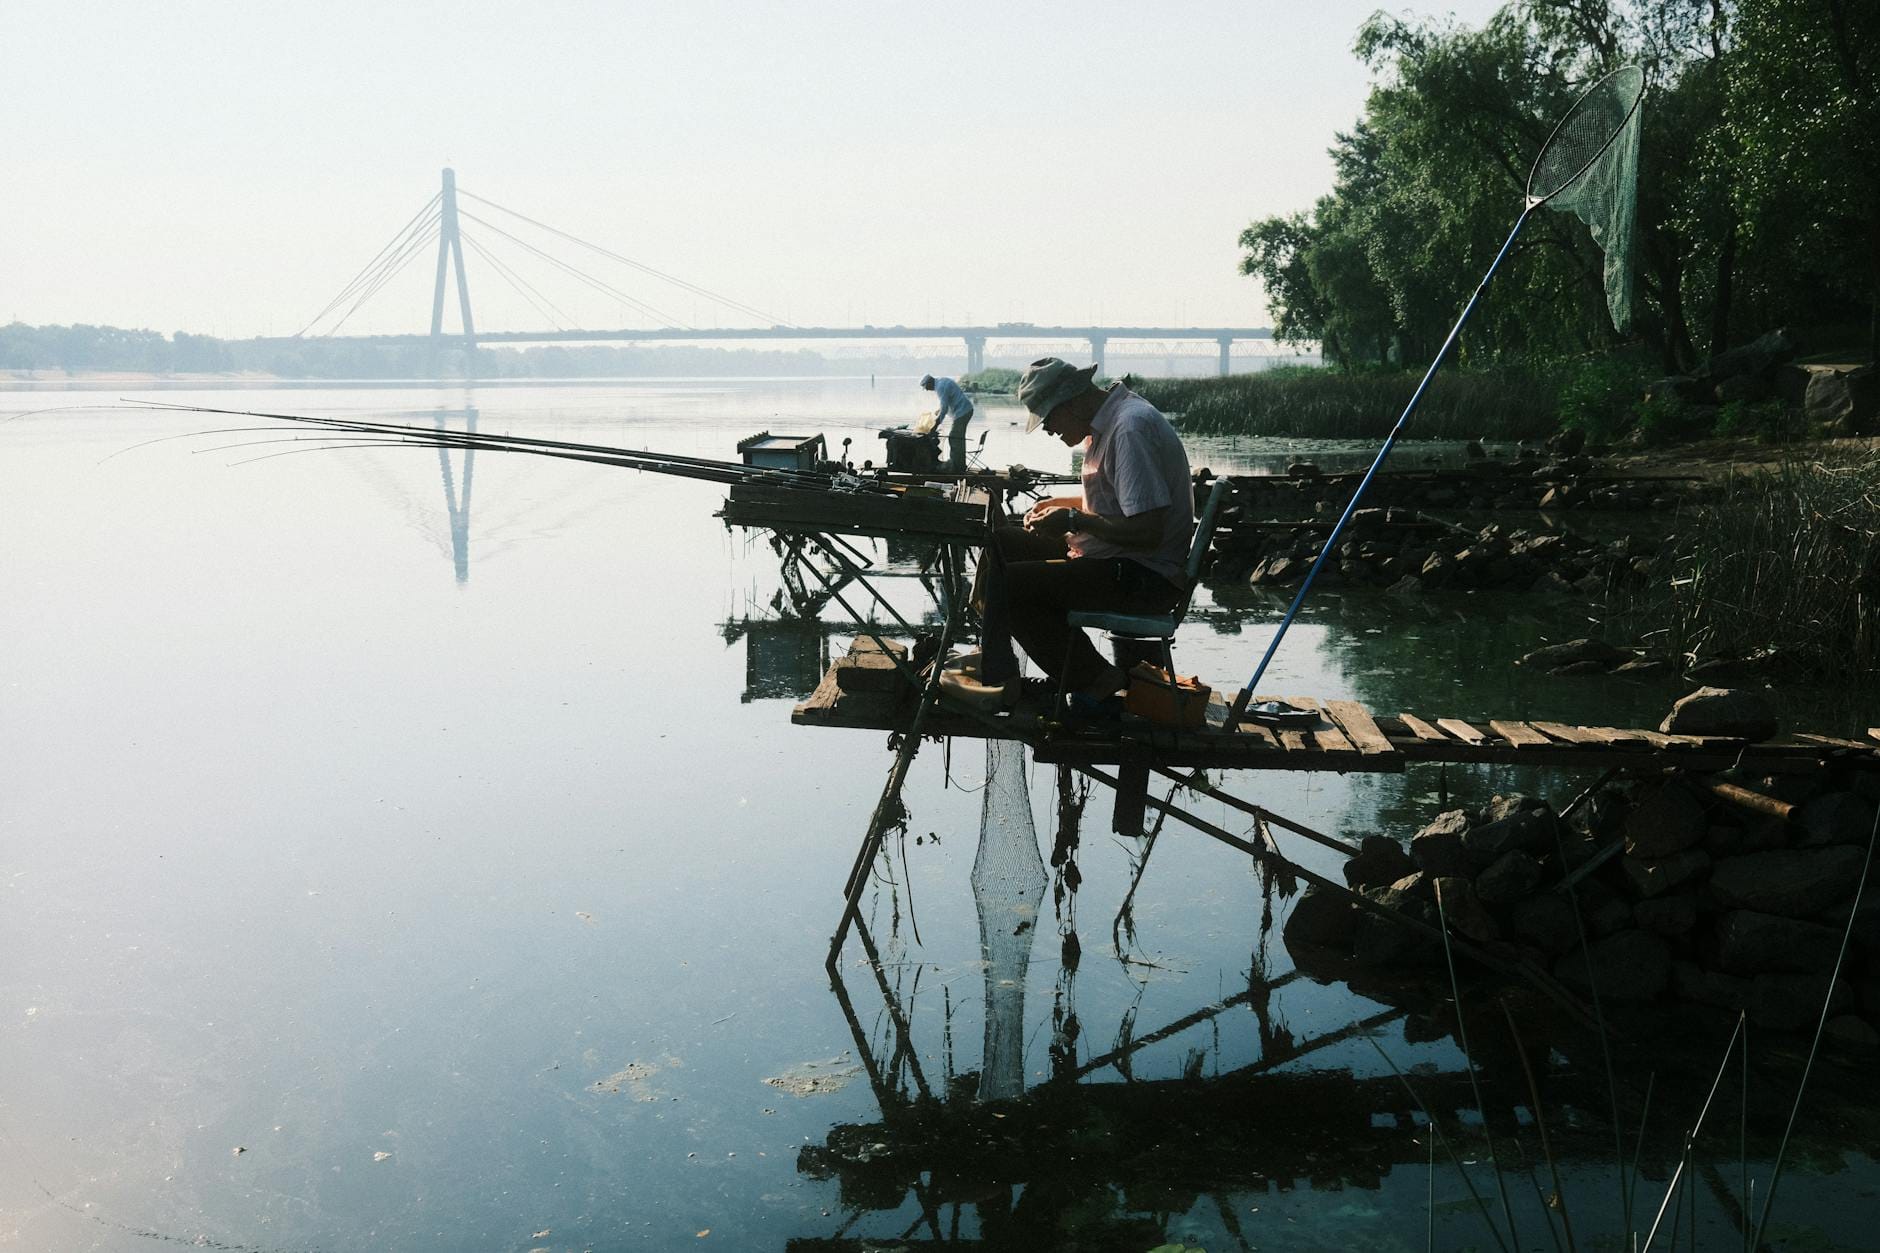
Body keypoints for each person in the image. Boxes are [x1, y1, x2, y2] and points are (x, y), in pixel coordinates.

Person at [977, 358, 1194, 710]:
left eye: (1049, 419)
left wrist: (1074, 520)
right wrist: (1059, 504)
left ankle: (1095, 677)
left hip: (1145, 577)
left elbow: (1148, 531)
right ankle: (1023, 669)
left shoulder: (1129, 429)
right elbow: (1119, 499)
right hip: (1118, 561)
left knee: (1009, 586)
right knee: (1002, 543)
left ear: (1072, 401)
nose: (1048, 430)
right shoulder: (1109, 424)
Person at [920, 373, 976, 473]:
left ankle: (955, 467)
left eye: (926, 387)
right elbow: (945, 404)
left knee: (954, 437)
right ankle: (959, 465)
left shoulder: (940, 387)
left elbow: (944, 407)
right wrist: (938, 411)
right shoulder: (942, 382)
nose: (927, 390)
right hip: (965, 410)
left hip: (962, 412)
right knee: (958, 439)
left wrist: (935, 425)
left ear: (929, 383)